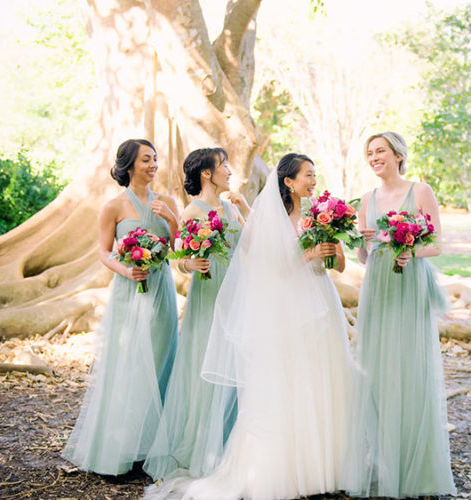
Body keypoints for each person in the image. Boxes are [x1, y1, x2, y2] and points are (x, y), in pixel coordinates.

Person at [144, 153, 355, 499]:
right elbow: (275, 265)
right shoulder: (274, 218)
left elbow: (340, 265)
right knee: (290, 380)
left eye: (315, 175)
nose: (313, 181)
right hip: (291, 307)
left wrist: (333, 251)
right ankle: (287, 467)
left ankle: (324, 465)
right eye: (308, 175)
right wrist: (311, 255)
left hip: (323, 303)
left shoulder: (322, 216)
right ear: (289, 181)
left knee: (323, 378)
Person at [347, 131, 456, 497]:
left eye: (380, 151)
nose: (374, 157)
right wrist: (363, 243)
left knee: (410, 367)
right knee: (376, 371)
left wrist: (412, 253)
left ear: (397, 155)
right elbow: (365, 258)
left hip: (409, 288)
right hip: (378, 290)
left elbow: (437, 245)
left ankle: (417, 463)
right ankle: (383, 458)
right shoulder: (367, 199)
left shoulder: (420, 191)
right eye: (370, 153)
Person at [62, 138, 180, 475]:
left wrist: (171, 218)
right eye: (146, 159)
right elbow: (103, 252)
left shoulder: (166, 202)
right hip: (130, 290)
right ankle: (122, 450)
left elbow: (181, 245)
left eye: (155, 159)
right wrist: (126, 269)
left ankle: (152, 450)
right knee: (129, 363)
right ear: (129, 165)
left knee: (160, 359)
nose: (153, 165)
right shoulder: (113, 207)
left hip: (160, 288)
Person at [144, 148, 246, 480]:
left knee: (234, 363)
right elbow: (178, 258)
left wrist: (246, 211)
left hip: (236, 295)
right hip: (208, 296)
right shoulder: (191, 211)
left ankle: (234, 447)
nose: (229, 171)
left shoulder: (230, 207)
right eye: (224, 165)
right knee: (207, 363)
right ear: (207, 173)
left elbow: (248, 245)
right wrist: (192, 263)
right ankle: (204, 449)